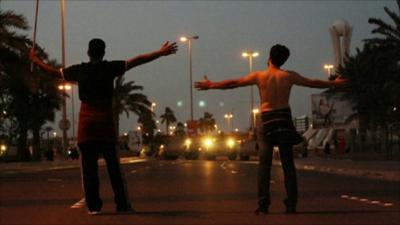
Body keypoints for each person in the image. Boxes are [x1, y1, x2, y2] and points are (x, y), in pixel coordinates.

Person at [30, 38, 177, 214]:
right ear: (104, 52)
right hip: (105, 122)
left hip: (86, 124)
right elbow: (137, 60)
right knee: (114, 168)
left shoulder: (79, 70)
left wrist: (36, 60)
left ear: (88, 52)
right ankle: (122, 205)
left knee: (88, 168)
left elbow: (53, 72)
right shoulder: (110, 68)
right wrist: (160, 53)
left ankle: (94, 207)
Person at [195, 44, 347, 214]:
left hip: (266, 120)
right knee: (288, 165)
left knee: (264, 165)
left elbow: (234, 83)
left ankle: (263, 204)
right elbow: (313, 83)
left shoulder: (260, 76)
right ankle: (291, 205)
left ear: (269, 57)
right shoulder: (289, 76)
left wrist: (212, 85)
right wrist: (335, 84)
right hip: (283, 119)